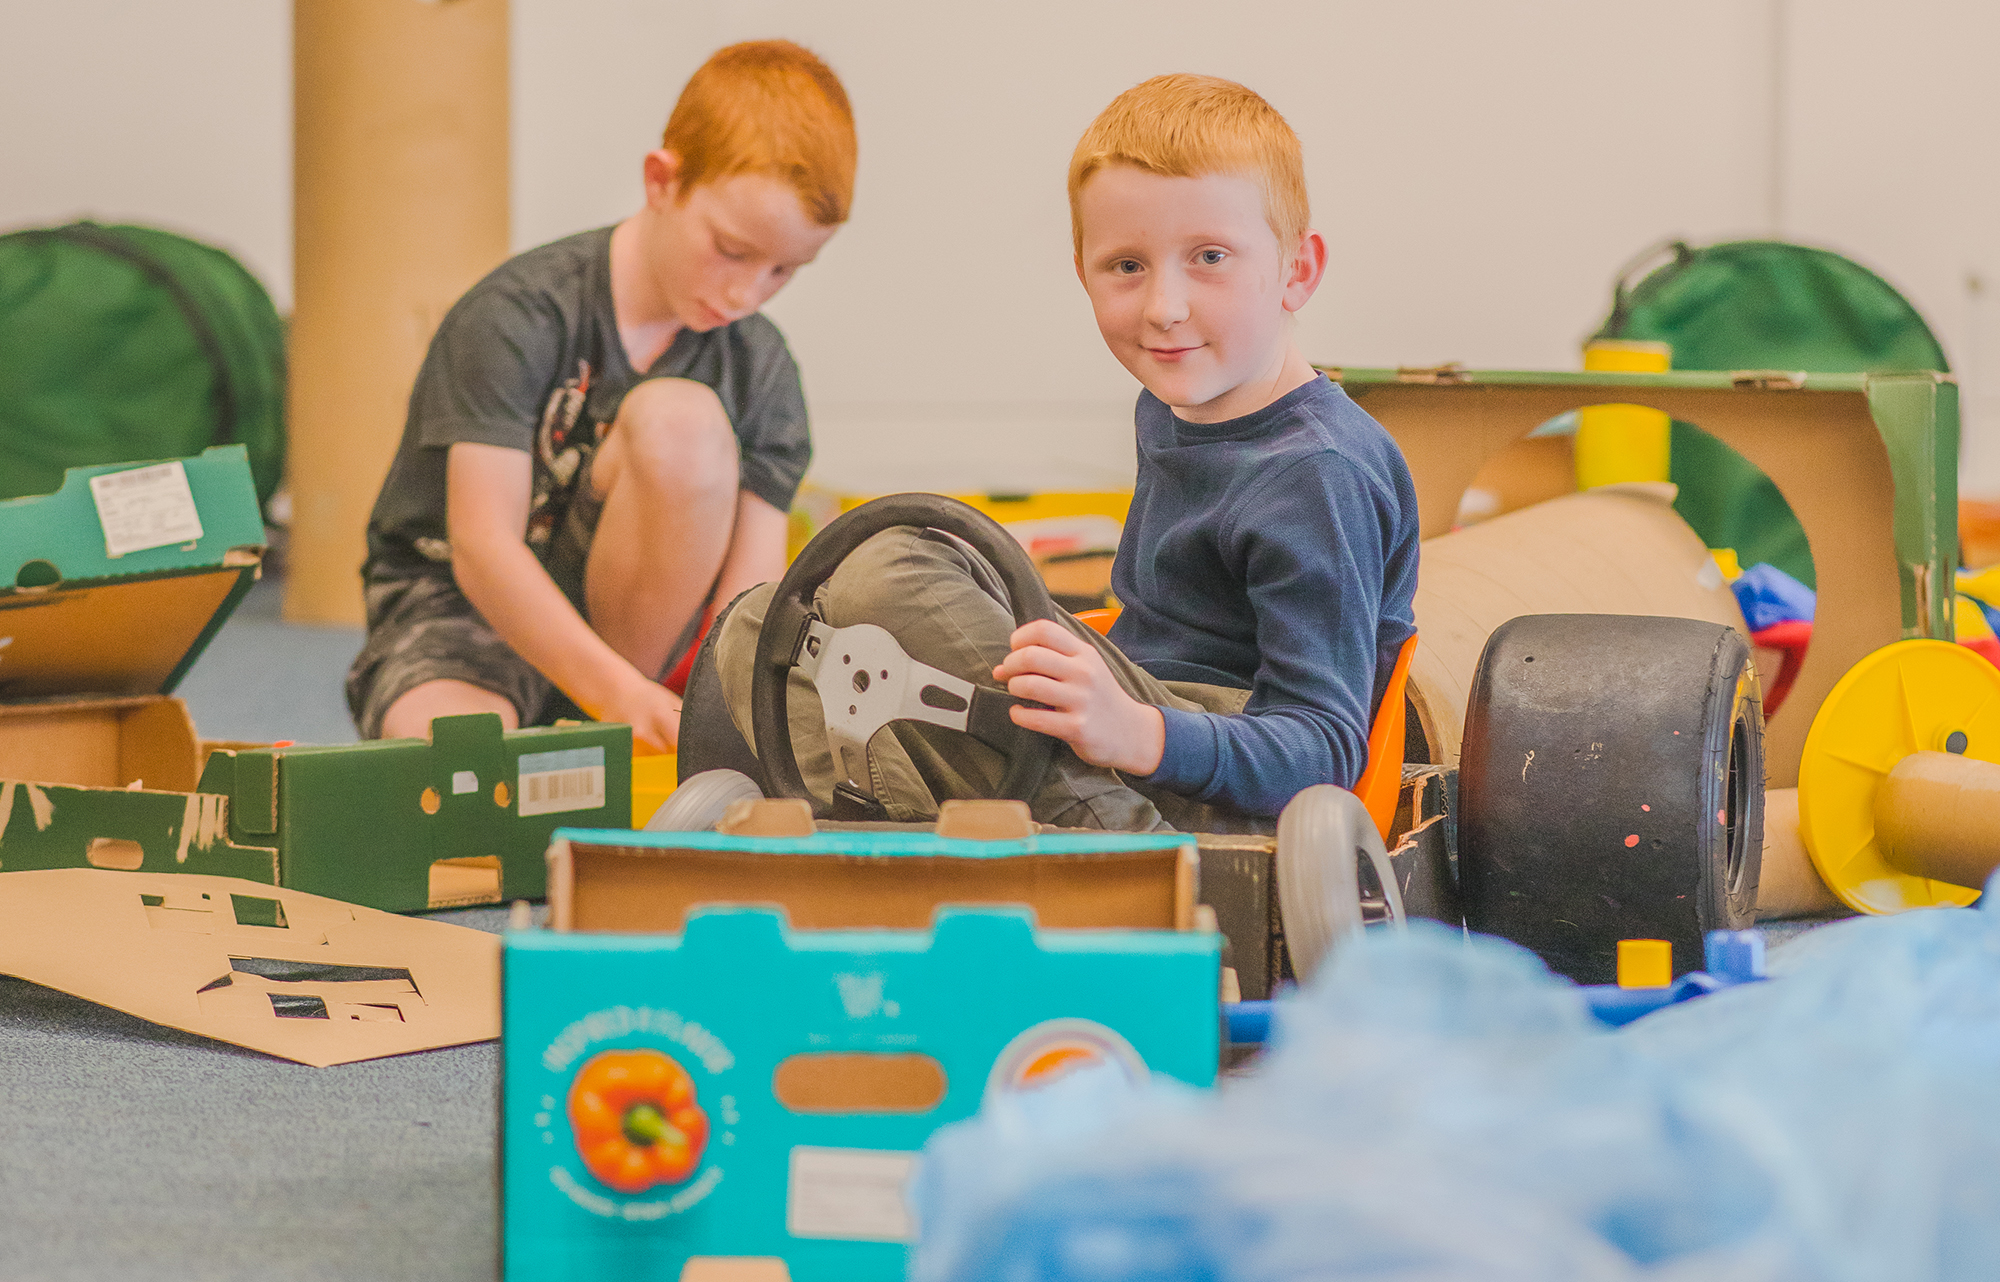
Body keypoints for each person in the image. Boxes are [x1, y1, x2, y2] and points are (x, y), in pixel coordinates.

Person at [700, 72, 1419, 831]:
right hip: (1125, 732)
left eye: (1210, 257)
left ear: (1296, 271)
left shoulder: (1318, 472)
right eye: (1127, 267)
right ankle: (898, 842)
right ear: (1084, 273)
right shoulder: (1174, 406)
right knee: (766, 624)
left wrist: (1140, 733)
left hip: (1213, 786)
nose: (1164, 307)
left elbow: (1325, 753)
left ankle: (1148, 869)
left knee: (893, 566)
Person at [346, 40, 855, 752]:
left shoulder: (761, 367)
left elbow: (749, 607)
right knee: (454, 763)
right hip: (461, 613)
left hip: (639, 651)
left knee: (684, 424)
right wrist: (618, 697)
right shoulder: (517, 316)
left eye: (784, 271)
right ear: (661, 181)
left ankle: (590, 732)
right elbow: (481, 548)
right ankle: (592, 722)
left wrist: (722, 717)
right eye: (733, 251)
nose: (747, 293)